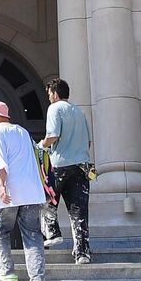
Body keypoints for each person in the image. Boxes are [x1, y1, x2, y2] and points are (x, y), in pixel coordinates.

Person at [0, 100, 50, 281]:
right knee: (32, 236)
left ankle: (7, 271)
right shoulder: (22, 131)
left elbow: (0, 163)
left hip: (10, 192)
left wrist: (2, 187)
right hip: (32, 193)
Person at [38, 77, 93, 264]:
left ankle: (52, 233)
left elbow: (52, 135)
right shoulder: (80, 113)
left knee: (47, 198)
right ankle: (82, 253)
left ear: (55, 93)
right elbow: (89, 142)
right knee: (79, 211)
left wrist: (41, 146)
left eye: (49, 95)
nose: (49, 98)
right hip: (82, 165)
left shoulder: (54, 109)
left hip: (59, 164)